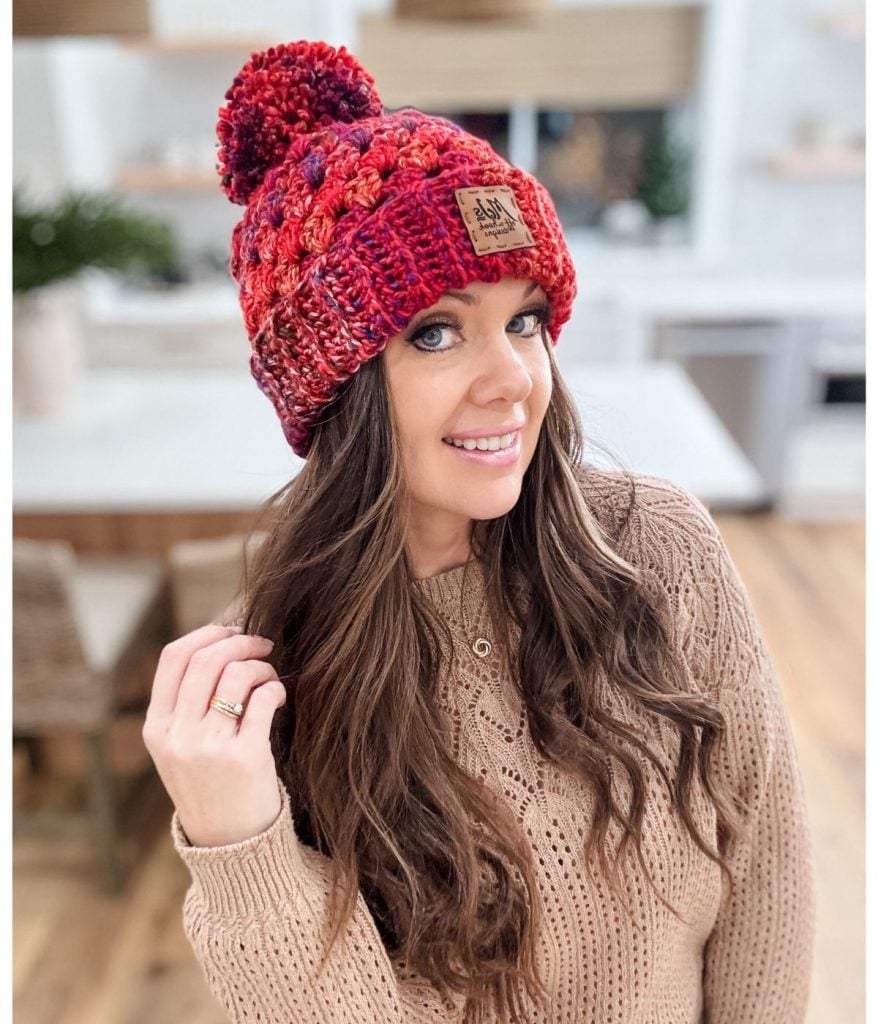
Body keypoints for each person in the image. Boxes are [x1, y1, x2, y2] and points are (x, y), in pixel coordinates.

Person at [142, 39, 815, 1024]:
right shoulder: (269, 683)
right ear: (337, 385)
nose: (512, 379)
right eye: (435, 331)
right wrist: (235, 839)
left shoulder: (661, 551)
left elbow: (765, 876)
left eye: (526, 320)